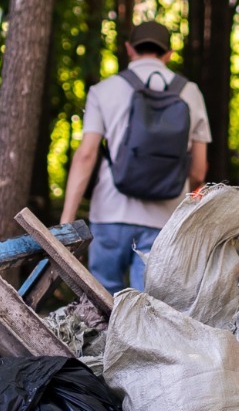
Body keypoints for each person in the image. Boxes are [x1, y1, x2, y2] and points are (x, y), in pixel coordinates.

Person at [61, 20, 211, 293]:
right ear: (168, 53)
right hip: (164, 220)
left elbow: (85, 156)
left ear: (130, 49)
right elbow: (199, 171)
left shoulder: (104, 90)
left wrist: (67, 221)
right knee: (148, 307)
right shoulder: (191, 93)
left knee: (101, 301)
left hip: (110, 212)